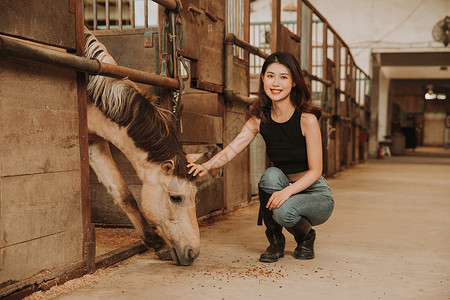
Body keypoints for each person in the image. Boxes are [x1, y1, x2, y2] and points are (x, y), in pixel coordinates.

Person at [187, 52, 334, 263]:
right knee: (270, 175)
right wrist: (206, 166)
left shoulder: (307, 120)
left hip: (315, 194)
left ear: (294, 82)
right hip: (283, 185)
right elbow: (233, 148)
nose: (276, 83)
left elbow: (316, 171)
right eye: (271, 76)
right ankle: (275, 242)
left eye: (284, 77)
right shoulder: (260, 119)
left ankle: (306, 236)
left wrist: (286, 192)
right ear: (263, 78)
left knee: (284, 210)